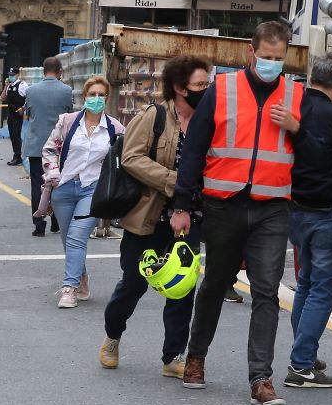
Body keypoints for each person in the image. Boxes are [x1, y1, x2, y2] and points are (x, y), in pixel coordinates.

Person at [170, 21, 303, 405]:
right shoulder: (222, 91)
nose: (272, 64)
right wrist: (181, 205)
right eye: (266, 57)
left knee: (267, 291)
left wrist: (299, 129)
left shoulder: (296, 96)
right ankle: (195, 357)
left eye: (279, 59)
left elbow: (310, 154)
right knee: (214, 284)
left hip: (272, 207)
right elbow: (194, 148)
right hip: (224, 204)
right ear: (251, 51)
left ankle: (261, 378)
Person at [100, 55, 211, 375]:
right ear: (179, 87)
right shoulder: (155, 116)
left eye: (207, 84)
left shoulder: (209, 120)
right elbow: (131, 158)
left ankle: (172, 356)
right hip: (146, 216)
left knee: (182, 287)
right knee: (133, 284)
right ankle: (112, 335)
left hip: (187, 217)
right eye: (199, 85)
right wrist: (175, 182)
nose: (205, 90)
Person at [285, 52, 332, 389]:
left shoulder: (295, 106)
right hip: (330, 214)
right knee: (321, 291)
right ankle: (301, 366)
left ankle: (306, 353)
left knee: (305, 284)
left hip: (296, 209)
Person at [41, 76, 122, 308]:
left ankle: (69, 289)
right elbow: (48, 149)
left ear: (106, 98)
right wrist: (53, 172)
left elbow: (125, 156)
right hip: (64, 187)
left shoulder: (115, 129)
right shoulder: (67, 122)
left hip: (93, 190)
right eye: (92, 94)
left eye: (101, 95)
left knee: (77, 237)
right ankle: (82, 278)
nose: (96, 99)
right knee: (69, 240)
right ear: (84, 96)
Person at [23, 57, 74, 237]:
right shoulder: (67, 91)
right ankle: (56, 222)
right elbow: (69, 116)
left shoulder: (31, 90)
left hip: (37, 146)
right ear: (60, 71)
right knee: (58, 183)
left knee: (38, 184)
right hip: (59, 147)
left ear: (44, 70)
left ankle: (38, 224)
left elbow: (28, 113)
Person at [3, 71, 28, 165]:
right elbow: (2, 98)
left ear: (18, 75)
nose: (10, 77)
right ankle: (16, 155)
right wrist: (6, 86)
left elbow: (29, 98)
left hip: (18, 114)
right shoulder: (9, 86)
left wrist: (23, 108)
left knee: (16, 135)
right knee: (12, 135)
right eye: (9, 75)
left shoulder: (22, 85)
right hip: (10, 114)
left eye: (13, 75)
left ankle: (17, 156)